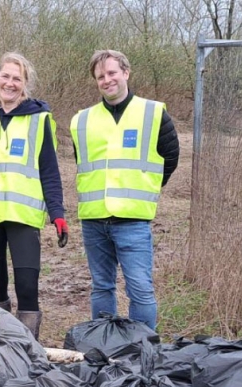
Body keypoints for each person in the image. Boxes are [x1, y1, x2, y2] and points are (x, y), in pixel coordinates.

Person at [0, 52, 67, 341]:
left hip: (23, 216)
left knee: (27, 287)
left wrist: (57, 212)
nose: (10, 83)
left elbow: (49, 170)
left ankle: (27, 348)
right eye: (5, 76)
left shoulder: (39, 121)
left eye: (16, 78)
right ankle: (1, 348)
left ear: (25, 83)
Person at [70, 49, 179, 330]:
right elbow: (82, 163)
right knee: (101, 287)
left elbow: (170, 157)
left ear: (126, 73)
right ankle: (104, 345)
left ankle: (142, 350)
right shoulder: (81, 121)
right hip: (94, 220)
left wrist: (144, 188)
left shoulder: (153, 113)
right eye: (100, 76)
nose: (107, 80)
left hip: (132, 221)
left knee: (140, 289)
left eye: (112, 73)